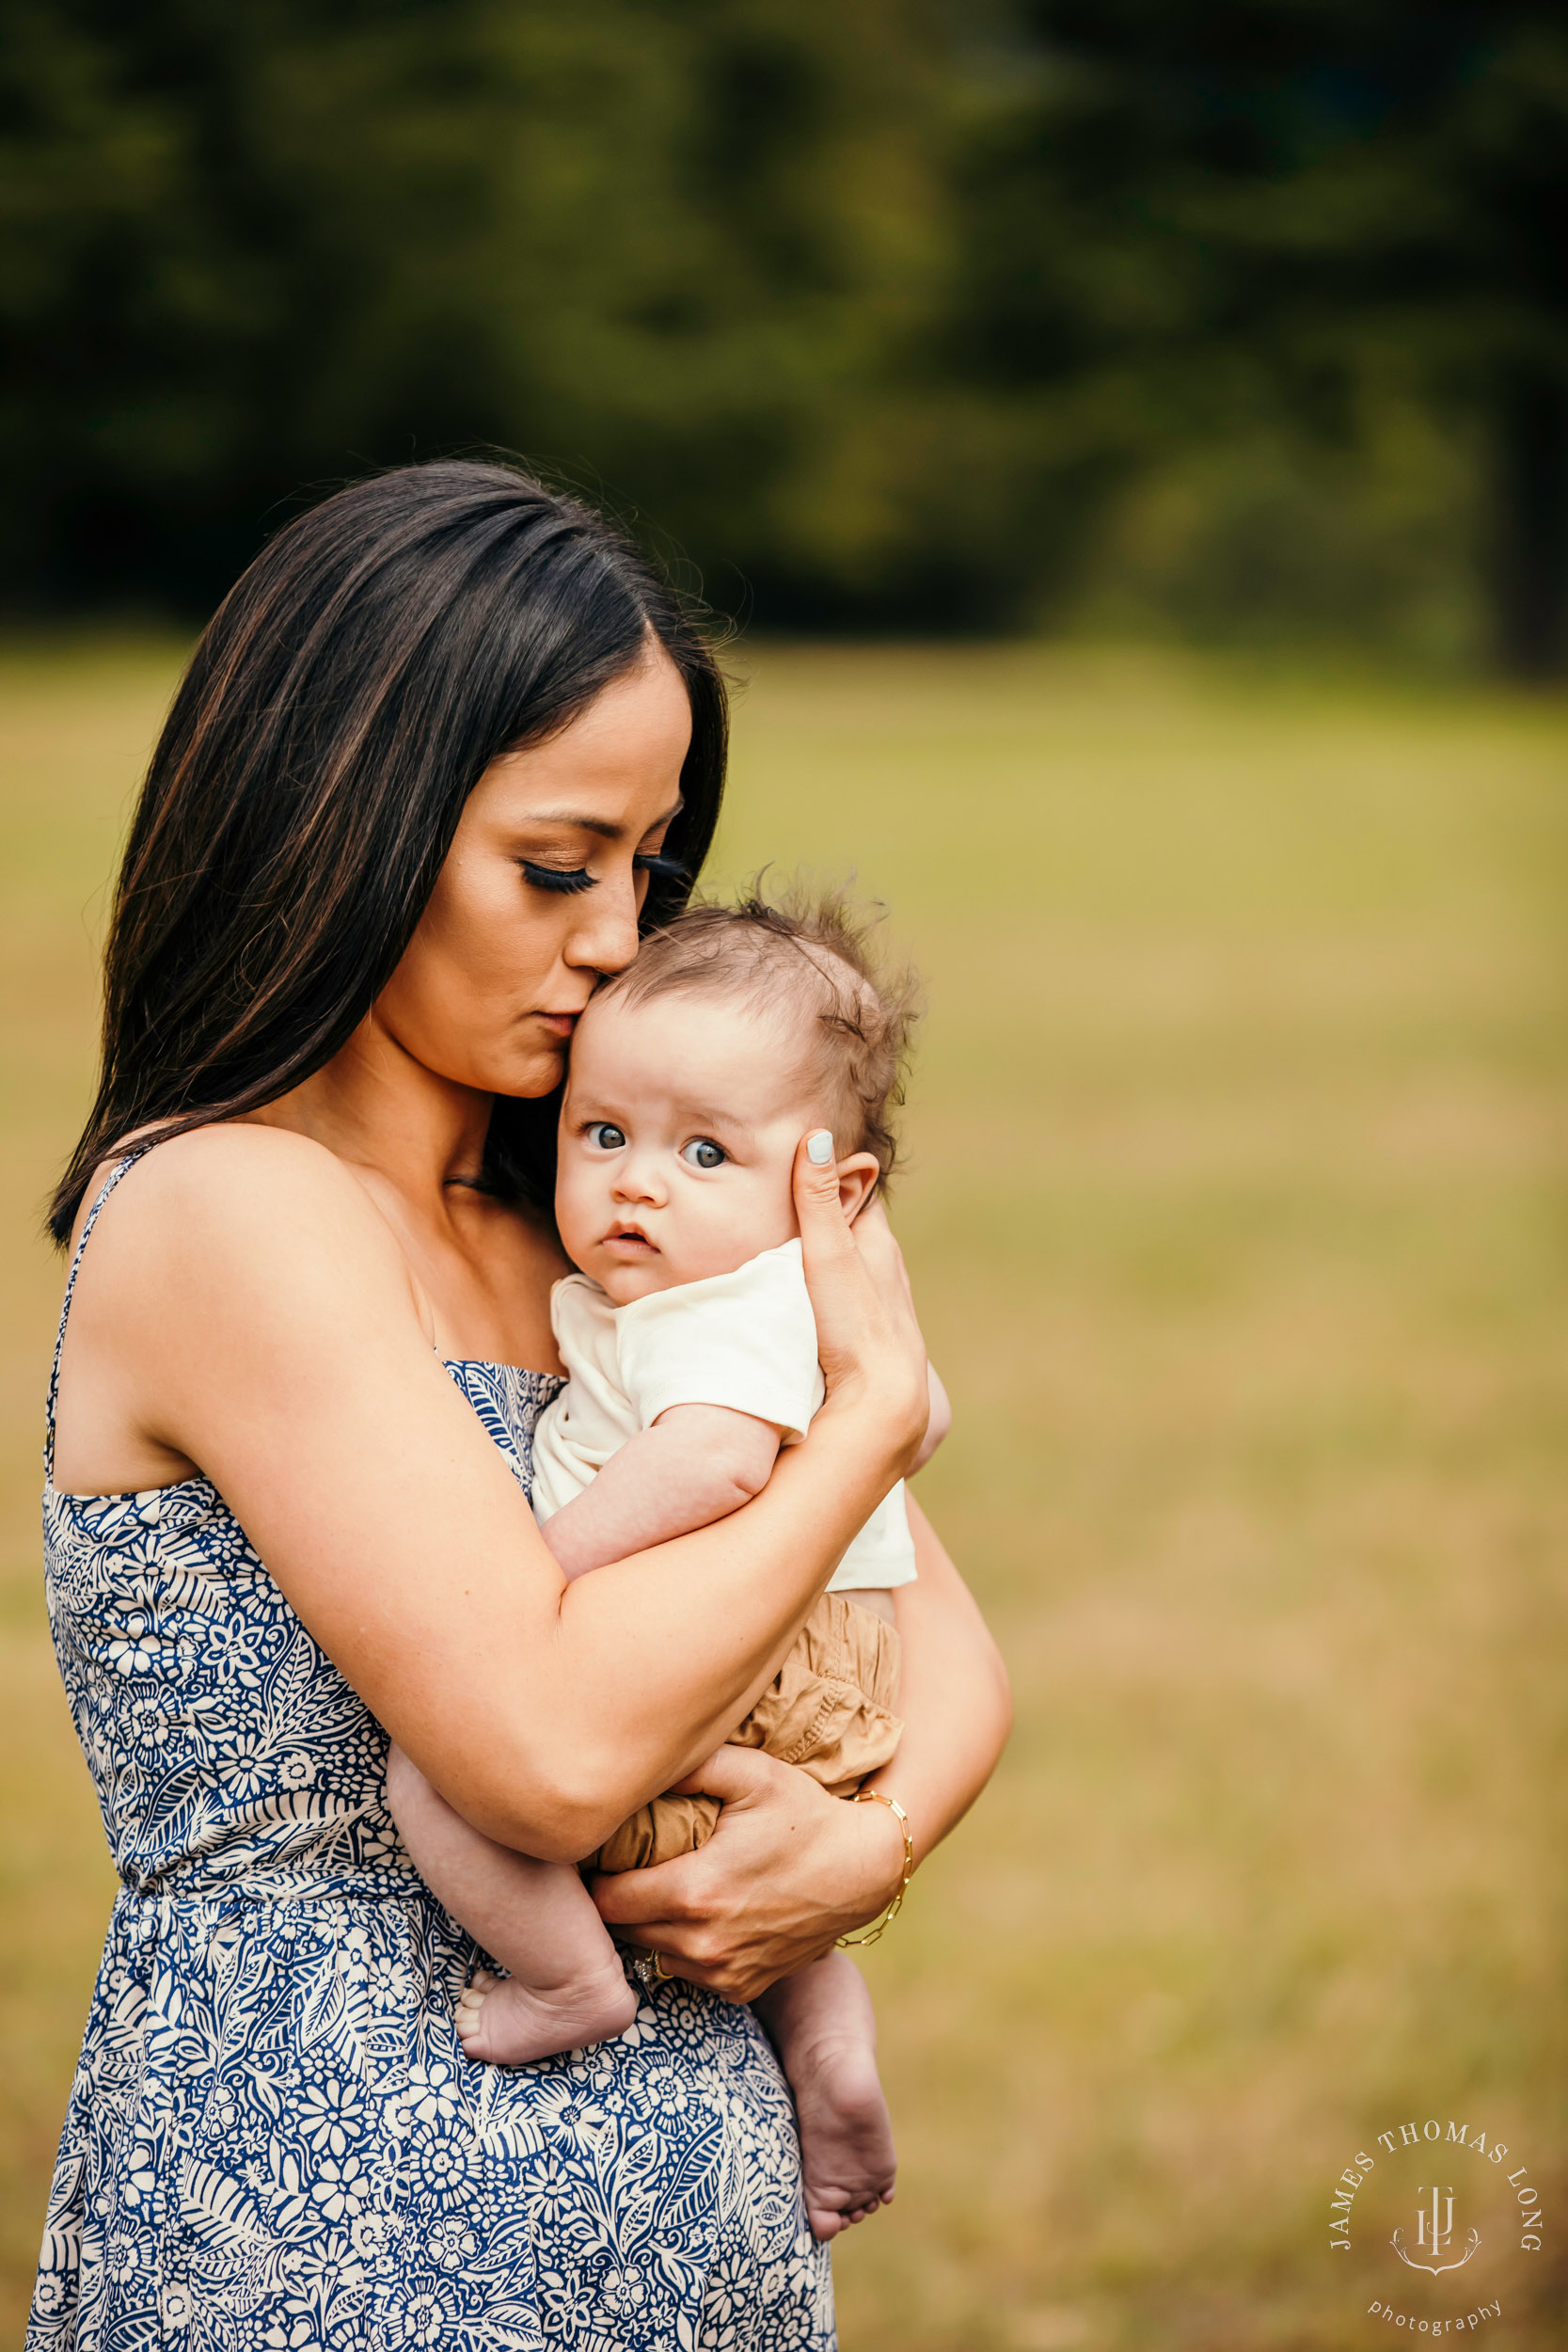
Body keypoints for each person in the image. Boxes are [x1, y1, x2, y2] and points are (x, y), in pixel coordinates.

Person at [32, 460, 1011, 2352]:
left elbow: (944, 1651)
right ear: (348, 812)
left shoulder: (602, 1227)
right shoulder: (234, 1207)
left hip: (693, 2243)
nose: (617, 934)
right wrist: (867, 1409)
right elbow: (546, 1750)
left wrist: (865, 1847)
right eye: (557, 865)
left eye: (649, 866)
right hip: (339, 2246)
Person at [389, 888, 943, 2243]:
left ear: (831, 1186)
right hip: (837, 1671)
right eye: (605, 1134)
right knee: (768, 1892)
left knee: (436, 1778)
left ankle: (570, 1983)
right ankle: (829, 2050)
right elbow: (920, 1420)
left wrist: (537, 1571)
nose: (639, 1180)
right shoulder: (794, 1296)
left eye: (707, 1154)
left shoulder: (711, 1310)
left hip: (728, 1654)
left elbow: (713, 1466)